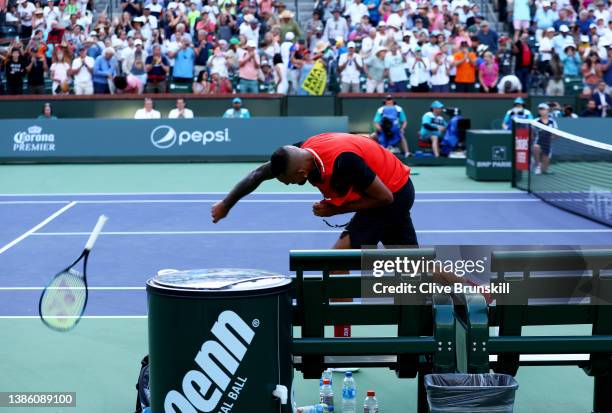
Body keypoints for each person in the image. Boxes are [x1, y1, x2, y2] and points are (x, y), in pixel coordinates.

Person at [211, 133, 418, 252]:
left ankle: (343, 328)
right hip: (391, 189)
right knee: (411, 262)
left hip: (393, 193)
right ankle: (452, 292)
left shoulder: (344, 162)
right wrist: (226, 204)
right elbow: (257, 174)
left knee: (336, 263)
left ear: (301, 172)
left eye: (288, 181)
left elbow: (385, 198)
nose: (287, 184)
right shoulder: (300, 152)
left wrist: (335, 210)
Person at [532, 103, 558, 175]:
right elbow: (532, 133)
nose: (541, 111)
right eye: (540, 109)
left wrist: (550, 139)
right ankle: (537, 165)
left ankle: (538, 164)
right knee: (536, 147)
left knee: (544, 170)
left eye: (543, 109)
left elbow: (556, 134)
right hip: (538, 142)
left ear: (548, 110)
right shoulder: (535, 121)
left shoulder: (552, 122)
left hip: (547, 145)